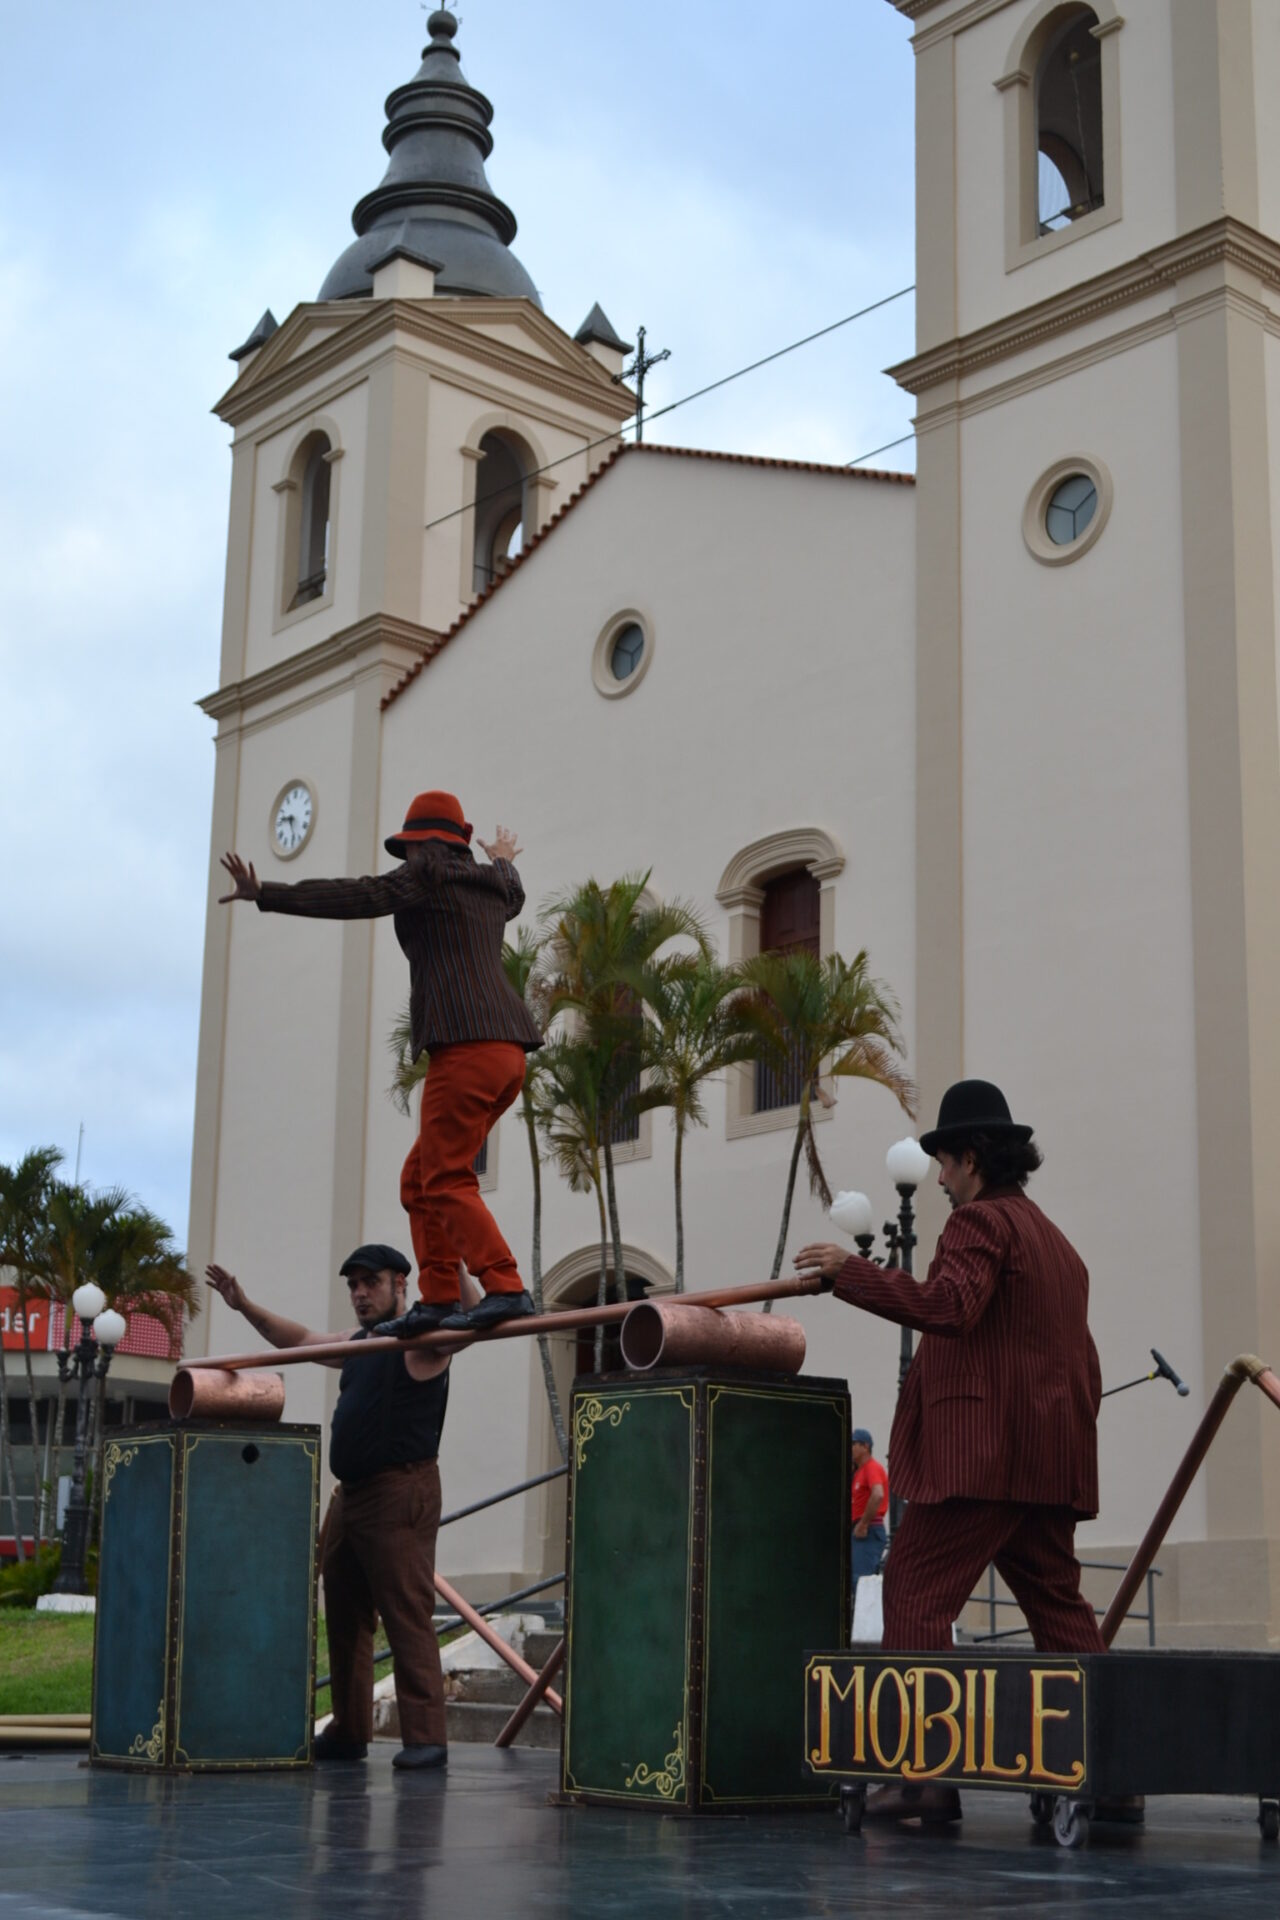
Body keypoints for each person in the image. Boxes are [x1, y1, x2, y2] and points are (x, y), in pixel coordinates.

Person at [796, 1079, 1108, 1825]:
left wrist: (851, 1273)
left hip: (981, 1459)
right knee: (1059, 1610)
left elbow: (948, 1308)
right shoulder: (1058, 1245)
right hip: (1046, 1462)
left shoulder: (979, 1225)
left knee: (912, 1591)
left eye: (944, 1161)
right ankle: (1110, 1768)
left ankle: (921, 1777)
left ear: (970, 1158)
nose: (937, 1178)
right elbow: (1081, 1362)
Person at [219, 790, 543, 1337]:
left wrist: (265, 894)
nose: (404, 863)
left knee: (442, 1177)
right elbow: (513, 887)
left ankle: (505, 1285)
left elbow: (358, 895)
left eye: (409, 852)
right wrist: (503, 855)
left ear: (423, 848)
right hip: (508, 1054)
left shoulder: (426, 876)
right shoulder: (495, 887)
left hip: (464, 1048)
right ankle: (439, 1297)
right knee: (419, 1180)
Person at [206, 1243, 476, 1770]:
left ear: (402, 1283)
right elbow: (301, 1341)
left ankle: (426, 1738)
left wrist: (457, 1254)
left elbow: (475, 1316)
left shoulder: (426, 1340)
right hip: (351, 1496)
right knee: (347, 1612)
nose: (359, 1293)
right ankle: (350, 1729)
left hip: (401, 1490)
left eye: (370, 1282)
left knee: (405, 1609)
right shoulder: (360, 1343)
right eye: (352, 1284)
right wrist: (245, 1305)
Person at [849, 1428, 888, 1601]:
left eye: (854, 1444)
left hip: (868, 1530)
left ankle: (863, 1625)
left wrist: (864, 1523)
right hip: (863, 1530)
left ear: (865, 1446)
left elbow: (878, 1493)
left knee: (861, 1581)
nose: (851, 1448)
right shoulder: (860, 1471)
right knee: (856, 1580)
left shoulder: (871, 1468)